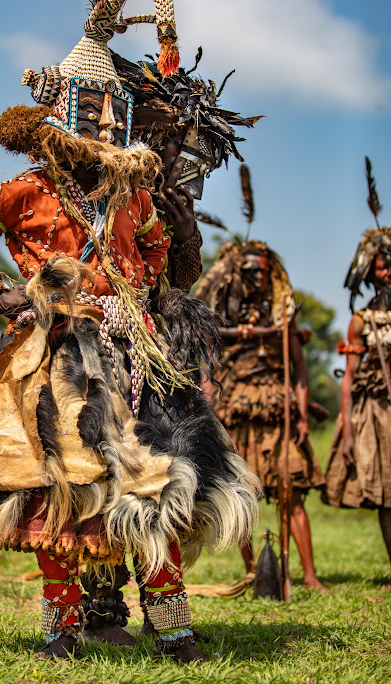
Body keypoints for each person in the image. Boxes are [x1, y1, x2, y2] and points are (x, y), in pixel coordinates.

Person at [0, 0, 260, 662]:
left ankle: (172, 627)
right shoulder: (26, 189)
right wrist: (2, 298)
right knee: (59, 495)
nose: (106, 120)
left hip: (137, 357)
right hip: (56, 359)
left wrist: (164, 285)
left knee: (161, 481)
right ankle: (62, 630)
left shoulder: (133, 198)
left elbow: (162, 258)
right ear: (65, 109)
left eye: (113, 109)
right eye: (92, 108)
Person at [79, 51, 261, 643]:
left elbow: (176, 279)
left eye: (179, 139)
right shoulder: (92, 176)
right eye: (161, 131)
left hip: (153, 353)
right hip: (89, 348)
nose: (171, 146)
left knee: (167, 476)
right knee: (96, 480)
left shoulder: (168, 195)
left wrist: (185, 235)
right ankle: (102, 615)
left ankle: (171, 624)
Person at [196, 238, 326, 589]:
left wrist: (300, 415)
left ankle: (309, 575)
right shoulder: (222, 312)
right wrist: (209, 409)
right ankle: (255, 571)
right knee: (243, 491)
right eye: (249, 271)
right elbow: (208, 365)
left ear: (271, 274)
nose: (256, 278)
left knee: (290, 491)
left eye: (262, 272)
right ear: (238, 271)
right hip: (234, 408)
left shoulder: (282, 313)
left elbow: (299, 367)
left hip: (275, 407)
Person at [323, 227, 391, 586]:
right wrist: (347, 431)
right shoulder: (361, 321)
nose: (389, 271)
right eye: (382, 266)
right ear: (369, 272)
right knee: (388, 493)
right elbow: (349, 377)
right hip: (378, 414)